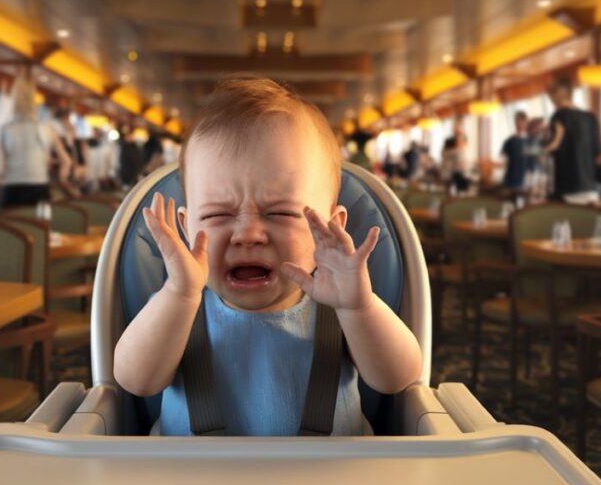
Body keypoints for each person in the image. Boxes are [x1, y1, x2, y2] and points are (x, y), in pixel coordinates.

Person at [113, 77, 422, 436]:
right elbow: (136, 381)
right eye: (217, 215)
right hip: (193, 471)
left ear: (330, 228)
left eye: (280, 213)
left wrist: (358, 307)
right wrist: (178, 294)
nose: (248, 234)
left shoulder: (345, 308)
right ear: (186, 229)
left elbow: (397, 379)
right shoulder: (177, 306)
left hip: (329, 471)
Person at [0, 72, 71, 207]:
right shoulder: (47, 129)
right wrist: (62, 180)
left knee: (11, 221)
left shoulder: (5, 130)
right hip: (39, 189)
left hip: (11, 190)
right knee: (38, 221)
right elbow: (66, 161)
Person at [544, 76, 601, 203]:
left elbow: (552, 149)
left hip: (567, 189)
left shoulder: (559, 117)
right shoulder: (590, 117)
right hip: (591, 190)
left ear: (556, 95)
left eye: (551, 96)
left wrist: (542, 145)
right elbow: (599, 154)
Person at [500, 110, 535, 191]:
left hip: (526, 180)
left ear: (526, 123)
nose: (520, 124)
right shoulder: (509, 141)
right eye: (517, 122)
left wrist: (531, 180)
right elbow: (503, 159)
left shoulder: (532, 141)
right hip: (510, 180)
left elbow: (533, 161)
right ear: (515, 123)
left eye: (522, 122)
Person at [440, 127, 470, 192]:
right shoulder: (455, 152)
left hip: (458, 174)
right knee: (457, 192)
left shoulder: (461, 151)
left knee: (458, 192)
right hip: (455, 174)